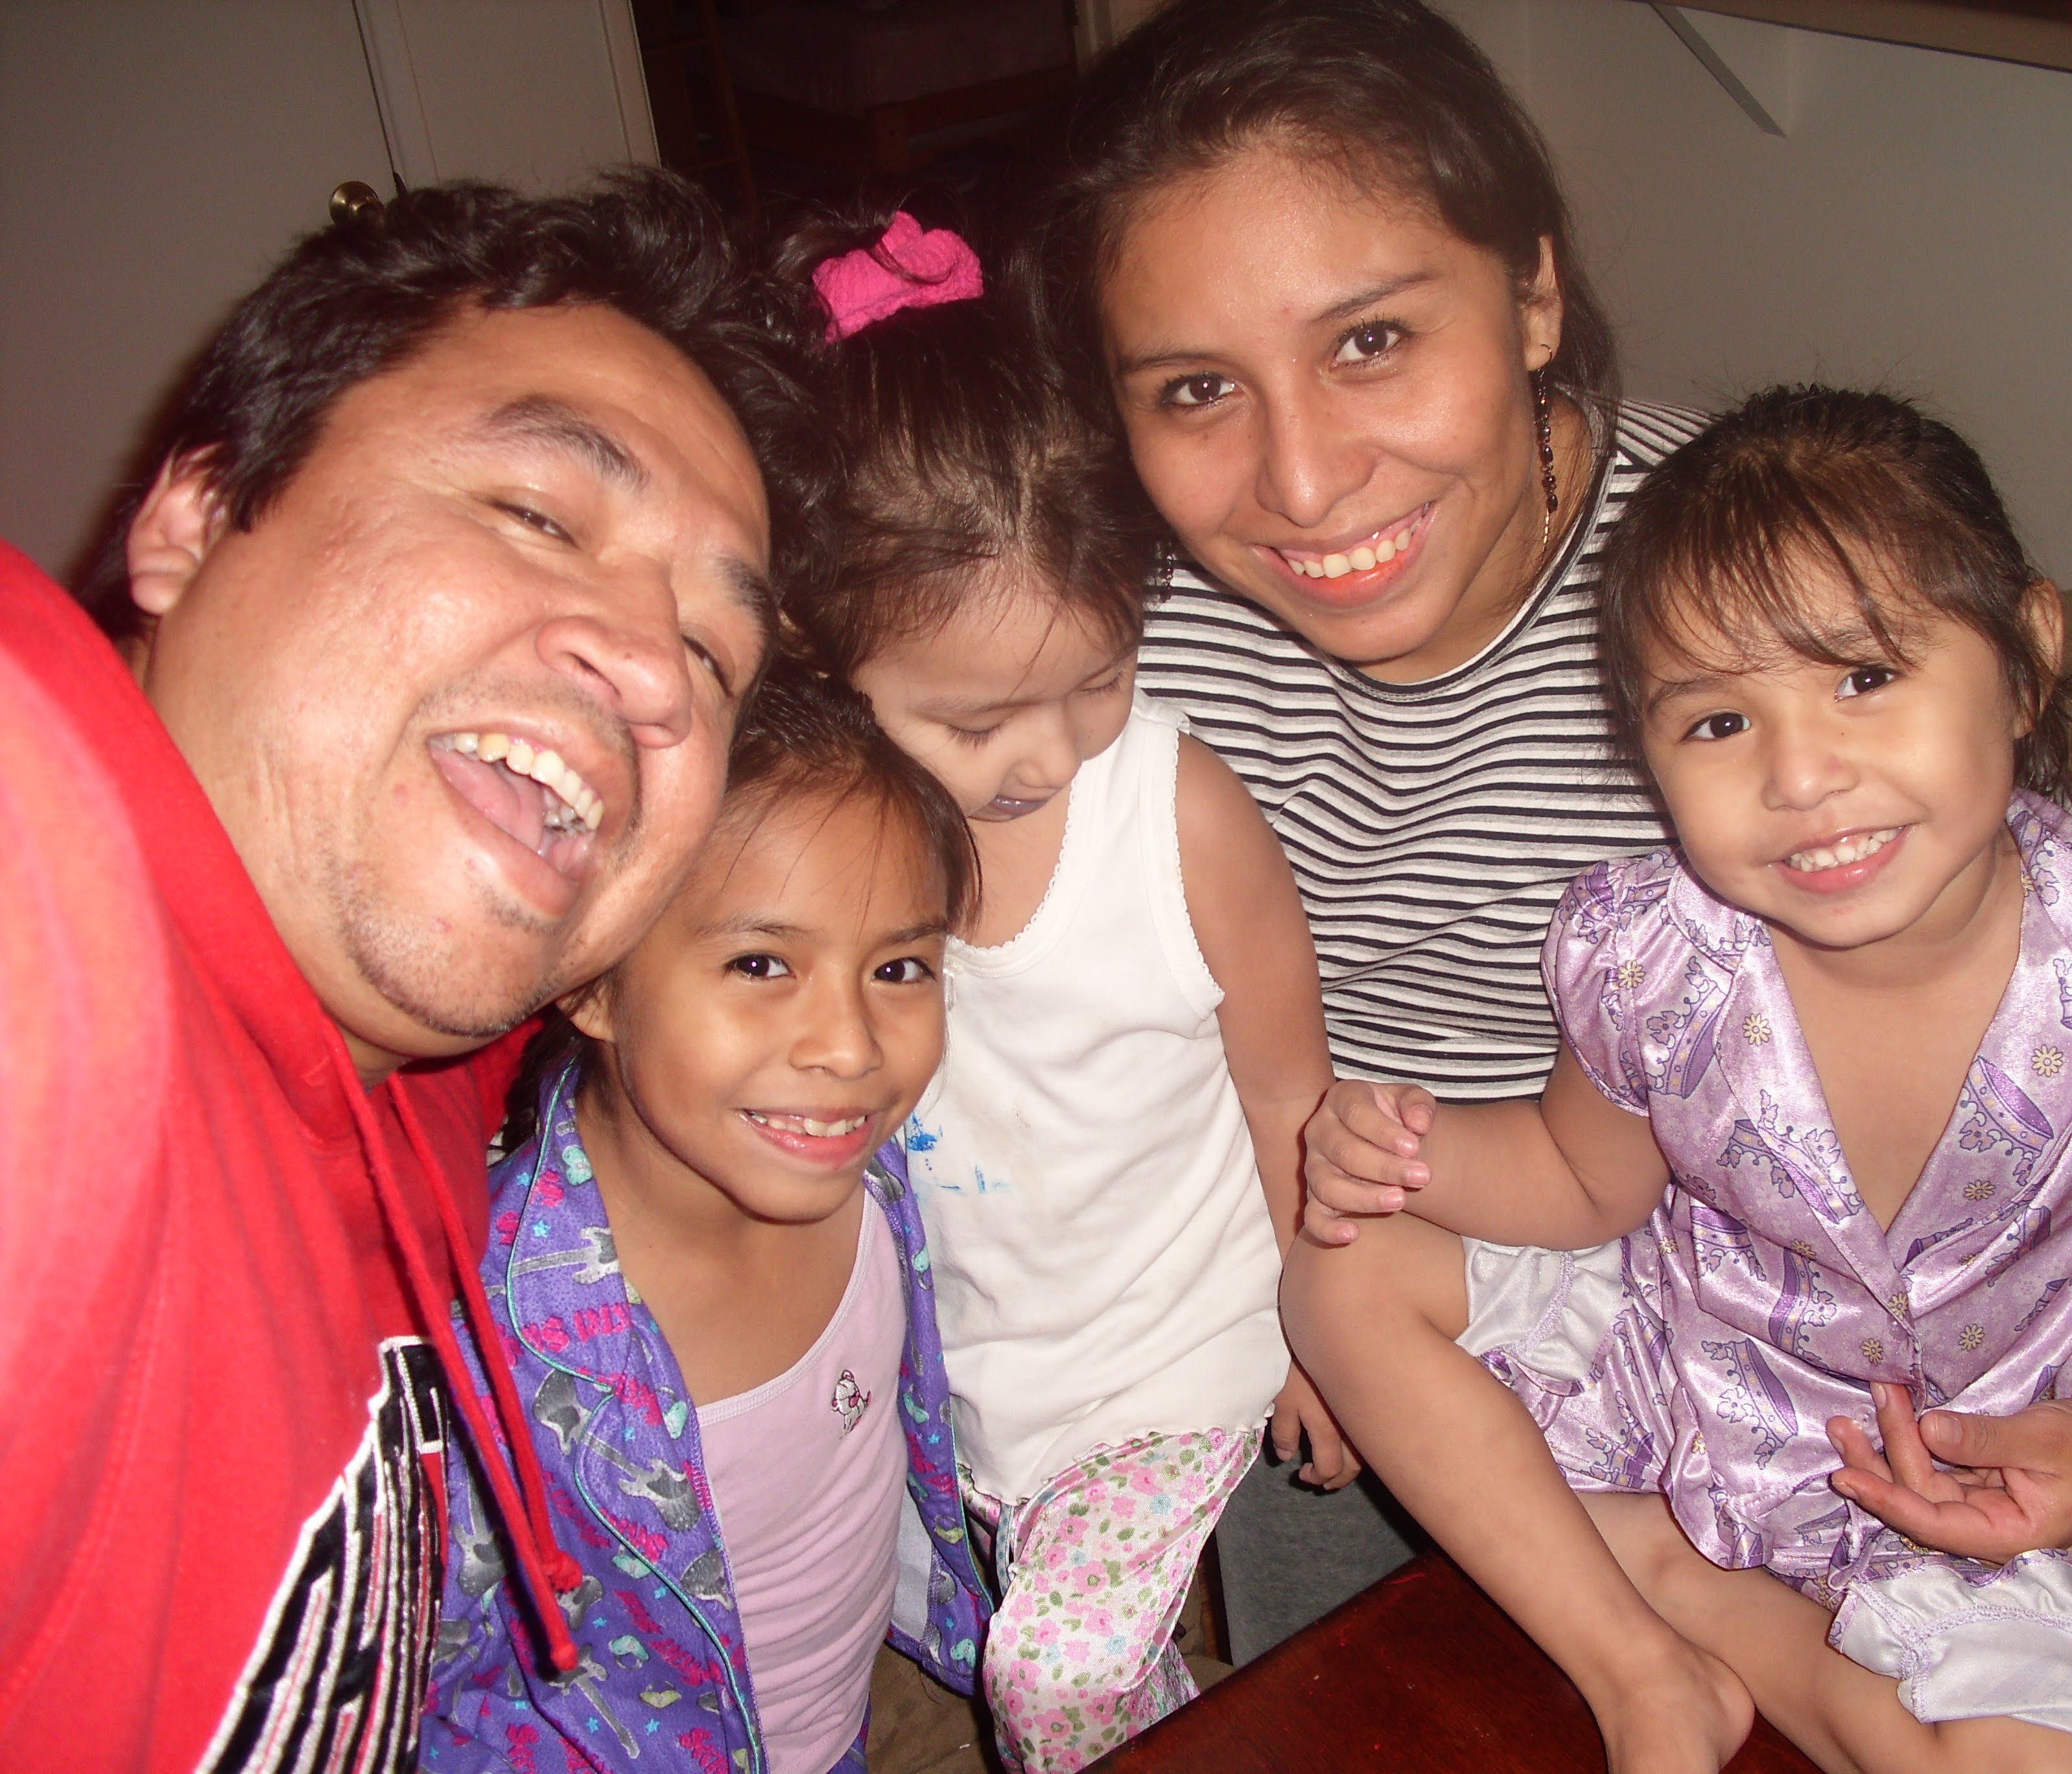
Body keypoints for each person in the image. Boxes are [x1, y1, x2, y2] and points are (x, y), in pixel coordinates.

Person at [1022, 0, 2072, 1666]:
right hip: (1346, 1336)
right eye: (1197, 388)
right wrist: (1270, 1279)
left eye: (1371, 341)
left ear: (1532, 293)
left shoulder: (1748, 594)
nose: (1301, 480)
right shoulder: (1108, 652)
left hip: (1797, 1356)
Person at [1289, 386, 2072, 1773]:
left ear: (2026, 658)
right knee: (1346, 1270)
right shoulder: (1657, 959)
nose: (1800, 775)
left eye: (1863, 678)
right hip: (1689, 1382)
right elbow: (1578, 1180)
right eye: (1719, 723)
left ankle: (1695, 1601)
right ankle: (1641, 1673)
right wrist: (1406, 1150)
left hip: (1979, 1475)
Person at [0, 172, 825, 1771]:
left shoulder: (425, 1066)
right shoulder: (51, 897)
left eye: (714, 655)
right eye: (539, 515)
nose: (654, 674)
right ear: (195, 513)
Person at [773, 207, 1344, 1773]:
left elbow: (1289, 1086)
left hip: (1181, 1353)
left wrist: (1327, 1328)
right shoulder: (809, 833)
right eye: (975, 723)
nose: (1045, 754)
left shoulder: (1174, 810)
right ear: (817, 659)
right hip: (963, 1380)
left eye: (1097, 679)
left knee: (1053, 1681)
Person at [423, 665, 993, 1774]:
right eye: (761, 963)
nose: (851, 1046)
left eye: (899, 967)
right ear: (589, 974)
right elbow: (430, 1685)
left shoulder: (863, 1167)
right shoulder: (489, 1351)